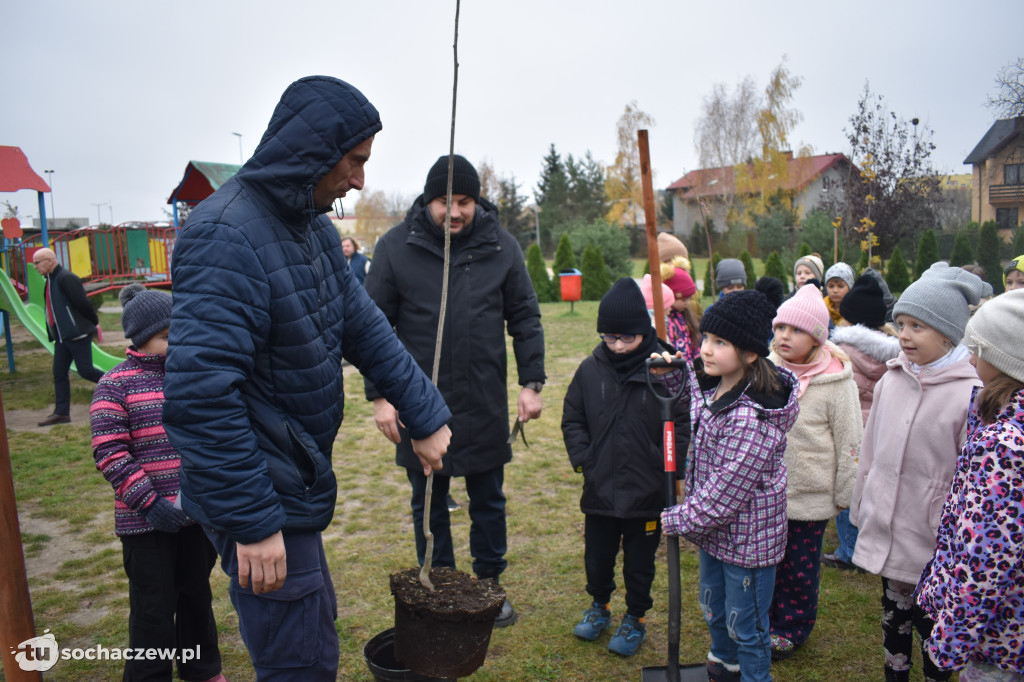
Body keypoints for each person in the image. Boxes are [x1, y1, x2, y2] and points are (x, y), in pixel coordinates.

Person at [162, 76, 453, 681]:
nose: (360, 179)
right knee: (299, 663)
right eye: (354, 161)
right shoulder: (226, 236)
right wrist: (254, 521)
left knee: (314, 641)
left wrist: (424, 413)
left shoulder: (311, 229)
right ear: (313, 150)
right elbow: (201, 396)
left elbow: (364, 327)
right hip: (260, 488)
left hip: (289, 478)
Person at [363, 153, 545, 628]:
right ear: (427, 201)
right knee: (428, 500)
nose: (456, 212)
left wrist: (532, 382)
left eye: (464, 201)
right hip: (417, 403)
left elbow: (524, 315)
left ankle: (489, 587)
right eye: (445, 202)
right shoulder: (394, 247)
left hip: (483, 397)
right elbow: (371, 325)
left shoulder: (502, 247)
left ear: (476, 201)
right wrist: (381, 396)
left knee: (488, 500)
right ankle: (440, 586)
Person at [850, 262, 986, 682]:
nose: (903, 335)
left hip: (933, 539)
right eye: (901, 324)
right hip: (891, 526)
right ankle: (896, 672)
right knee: (894, 617)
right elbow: (870, 450)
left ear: (948, 334)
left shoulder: (970, 394)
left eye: (917, 327)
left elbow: (971, 476)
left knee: (933, 625)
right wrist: (862, 505)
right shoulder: (893, 380)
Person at [661, 290, 800, 682]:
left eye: (720, 343)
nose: (706, 349)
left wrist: (679, 518)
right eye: (705, 338)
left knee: (747, 624)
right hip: (716, 536)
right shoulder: (717, 385)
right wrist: (675, 369)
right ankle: (724, 664)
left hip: (748, 544)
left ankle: (754, 675)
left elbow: (725, 493)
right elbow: (693, 393)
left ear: (751, 354)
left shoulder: (752, 418)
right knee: (715, 609)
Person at [91, 284, 226, 682]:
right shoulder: (115, 385)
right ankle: (149, 675)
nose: (177, 342)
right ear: (141, 338)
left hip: (195, 516)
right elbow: (110, 453)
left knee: (196, 596)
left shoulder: (191, 378)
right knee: (153, 606)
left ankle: (202, 669)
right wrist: (150, 503)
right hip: (144, 523)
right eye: (167, 336)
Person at [562, 279, 689, 657]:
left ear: (644, 331)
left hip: (646, 490)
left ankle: (636, 617)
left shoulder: (665, 370)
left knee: (639, 563)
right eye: (608, 337)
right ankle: (599, 606)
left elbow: (680, 424)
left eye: (625, 338)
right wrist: (585, 458)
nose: (616, 345)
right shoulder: (590, 369)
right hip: (600, 488)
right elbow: (573, 417)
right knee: (597, 559)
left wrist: (670, 468)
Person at [917, 290, 1024, 681]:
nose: (971, 357)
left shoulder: (1003, 447)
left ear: (1006, 359)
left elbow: (987, 558)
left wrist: (951, 640)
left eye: (977, 348)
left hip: (999, 636)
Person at [766, 285, 862, 660]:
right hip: (767, 491)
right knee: (765, 562)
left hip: (810, 495)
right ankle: (763, 619)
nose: (784, 337)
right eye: (780, 328)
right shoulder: (767, 370)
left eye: (796, 330)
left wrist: (844, 495)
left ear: (818, 337)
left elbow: (851, 440)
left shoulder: (837, 381)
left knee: (799, 568)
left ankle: (791, 626)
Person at [822, 272, 900, 571]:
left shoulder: (842, 352)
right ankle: (873, 546)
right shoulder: (894, 351)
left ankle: (849, 550)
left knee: (848, 490)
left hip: (851, 428)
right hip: (881, 427)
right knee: (873, 489)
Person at [31, 247, 104, 426]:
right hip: (62, 338)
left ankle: (120, 385)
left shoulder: (66, 278)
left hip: (76, 334)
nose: (35, 267)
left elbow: (82, 302)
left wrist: (94, 322)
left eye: (37, 263)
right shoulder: (50, 280)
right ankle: (62, 413)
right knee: (59, 373)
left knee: (85, 370)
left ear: (49, 261)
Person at [662, 266, 701, 361]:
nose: (687, 303)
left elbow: (694, 345)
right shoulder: (666, 321)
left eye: (689, 298)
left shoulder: (686, 317)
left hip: (691, 369)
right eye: (683, 299)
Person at [823, 262, 855, 327]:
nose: (835, 290)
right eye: (831, 286)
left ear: (850, 287)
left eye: (840, 286)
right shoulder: (821, 308)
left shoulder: (857, 311)